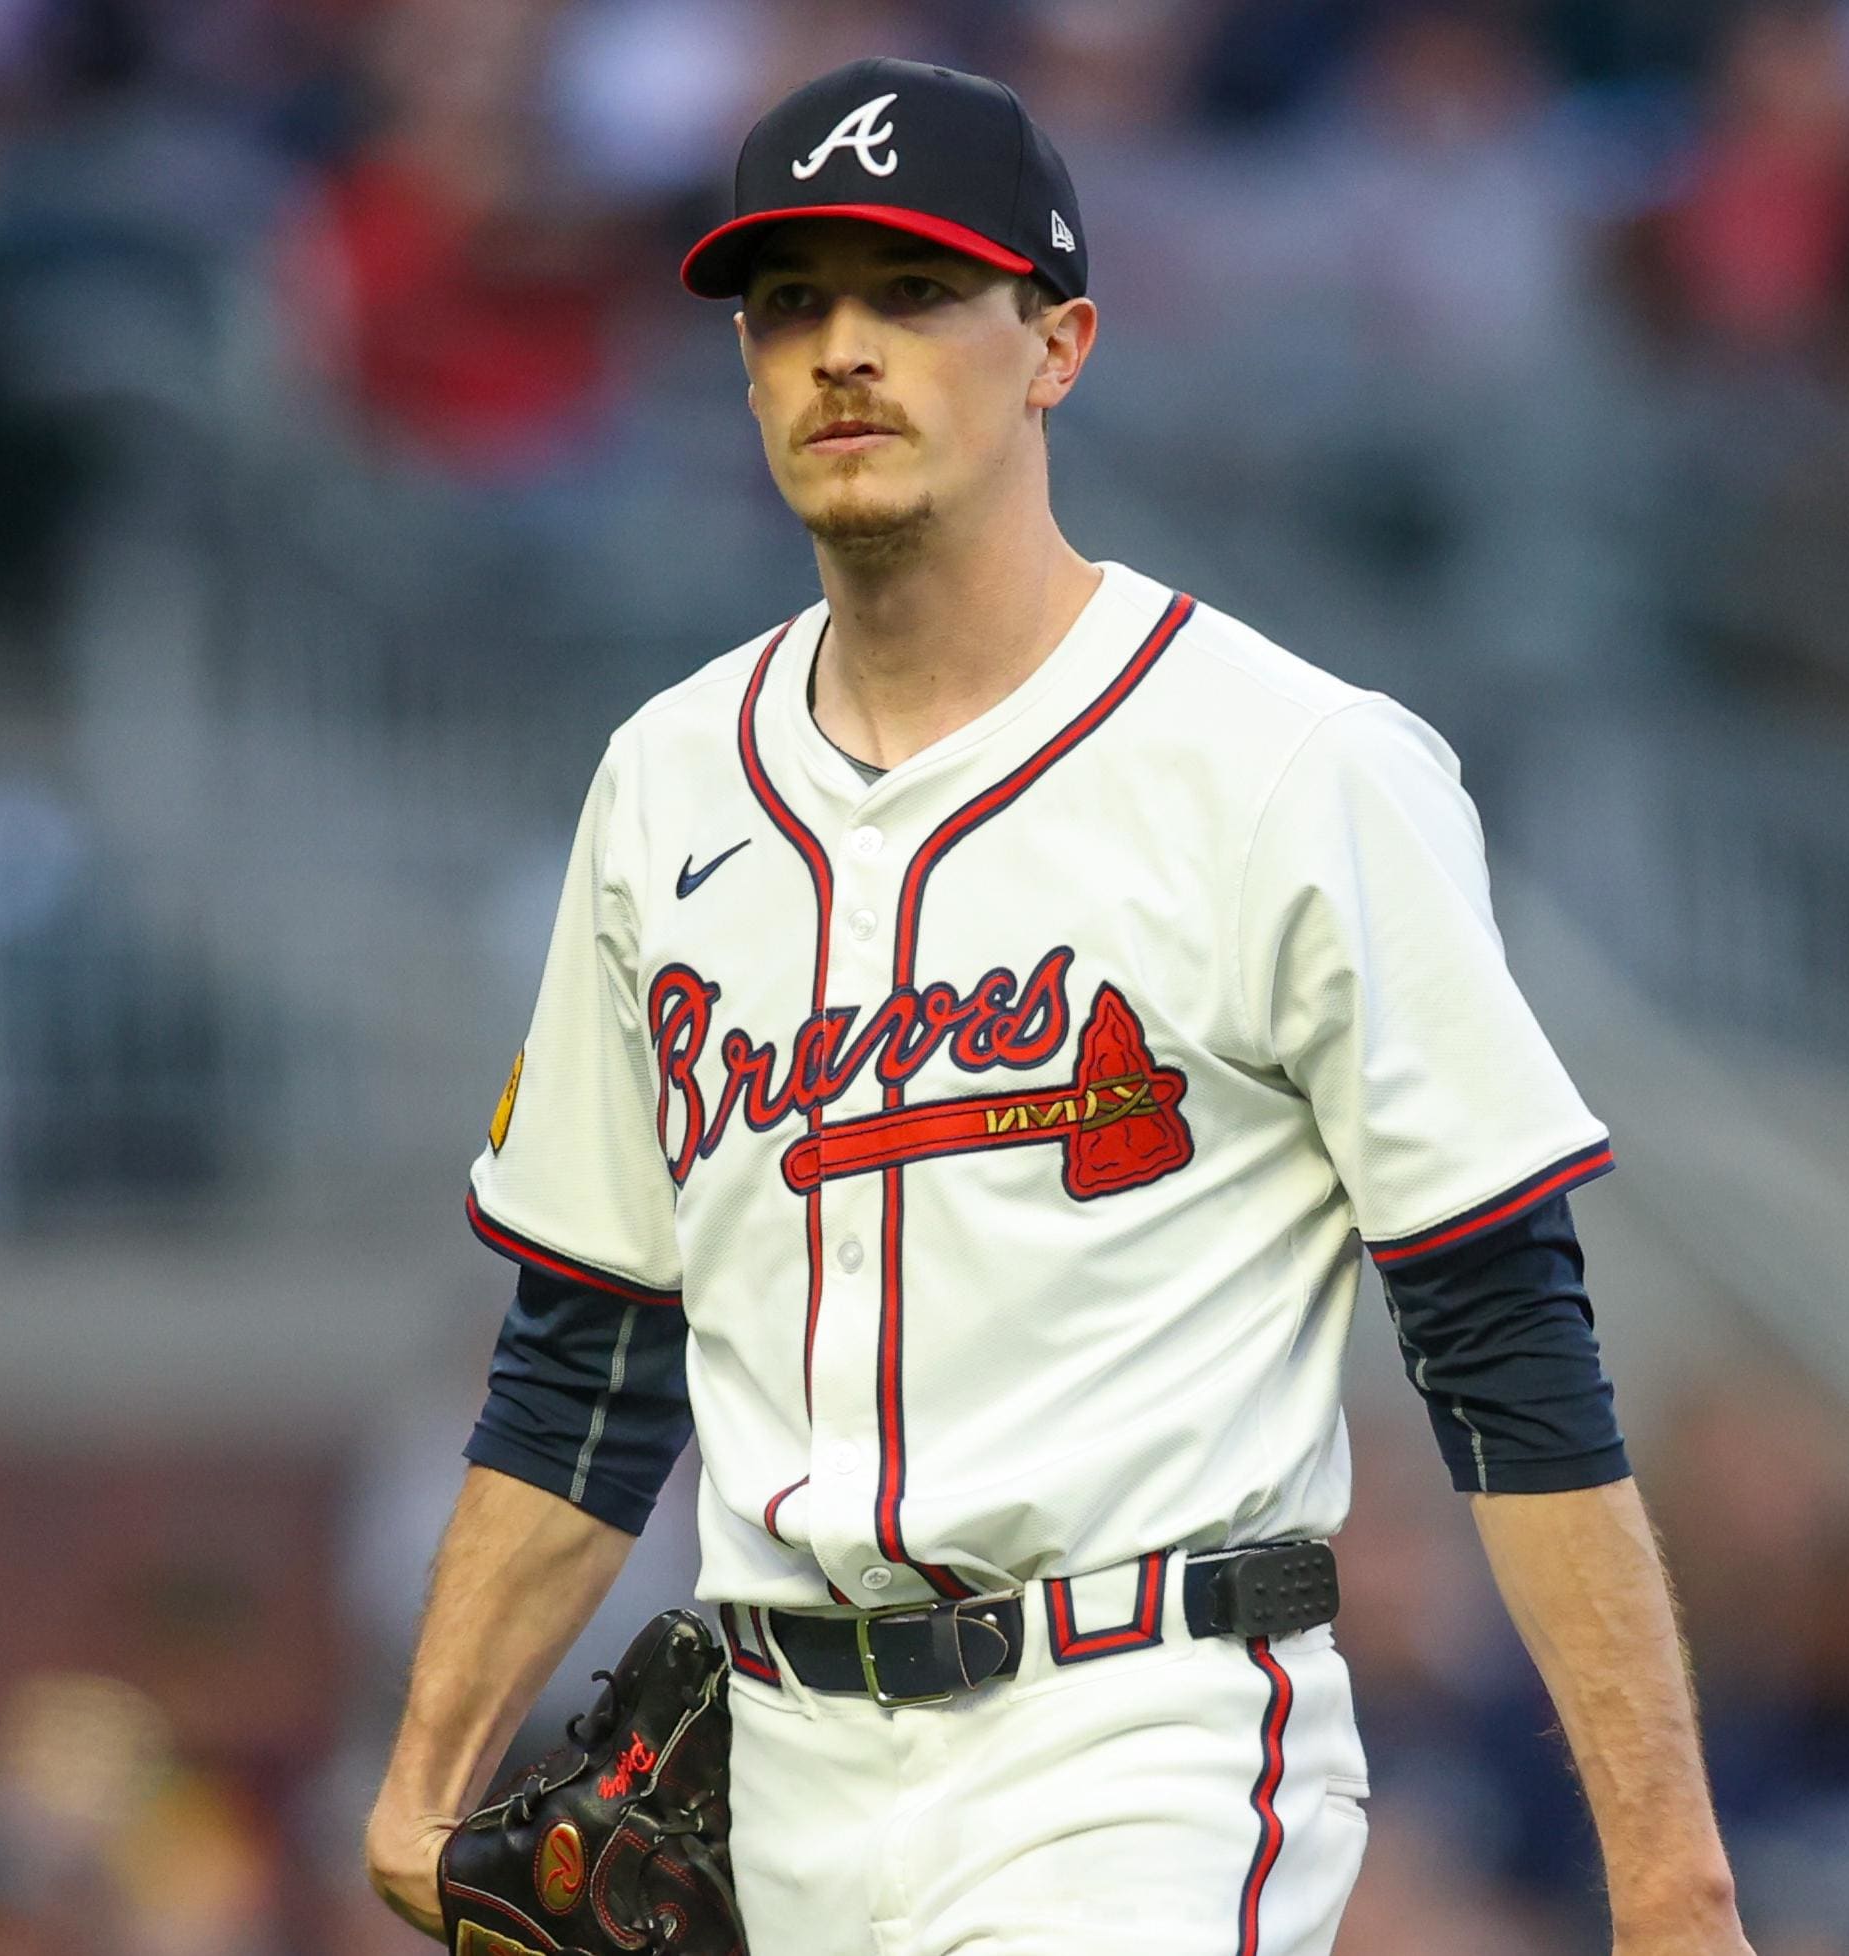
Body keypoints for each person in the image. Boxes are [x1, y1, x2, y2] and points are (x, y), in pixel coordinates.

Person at [362, 57, 1751, 1954]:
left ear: (1058, 343)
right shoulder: (664, 783)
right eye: (791, 306)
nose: (843, 350)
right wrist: (427, 1772)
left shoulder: (1286, 766)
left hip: (1145, 1738)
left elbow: (1508, 1339)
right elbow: (587, 1351)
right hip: (771, 1767)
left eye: (915, 292)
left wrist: (1668, 1880)